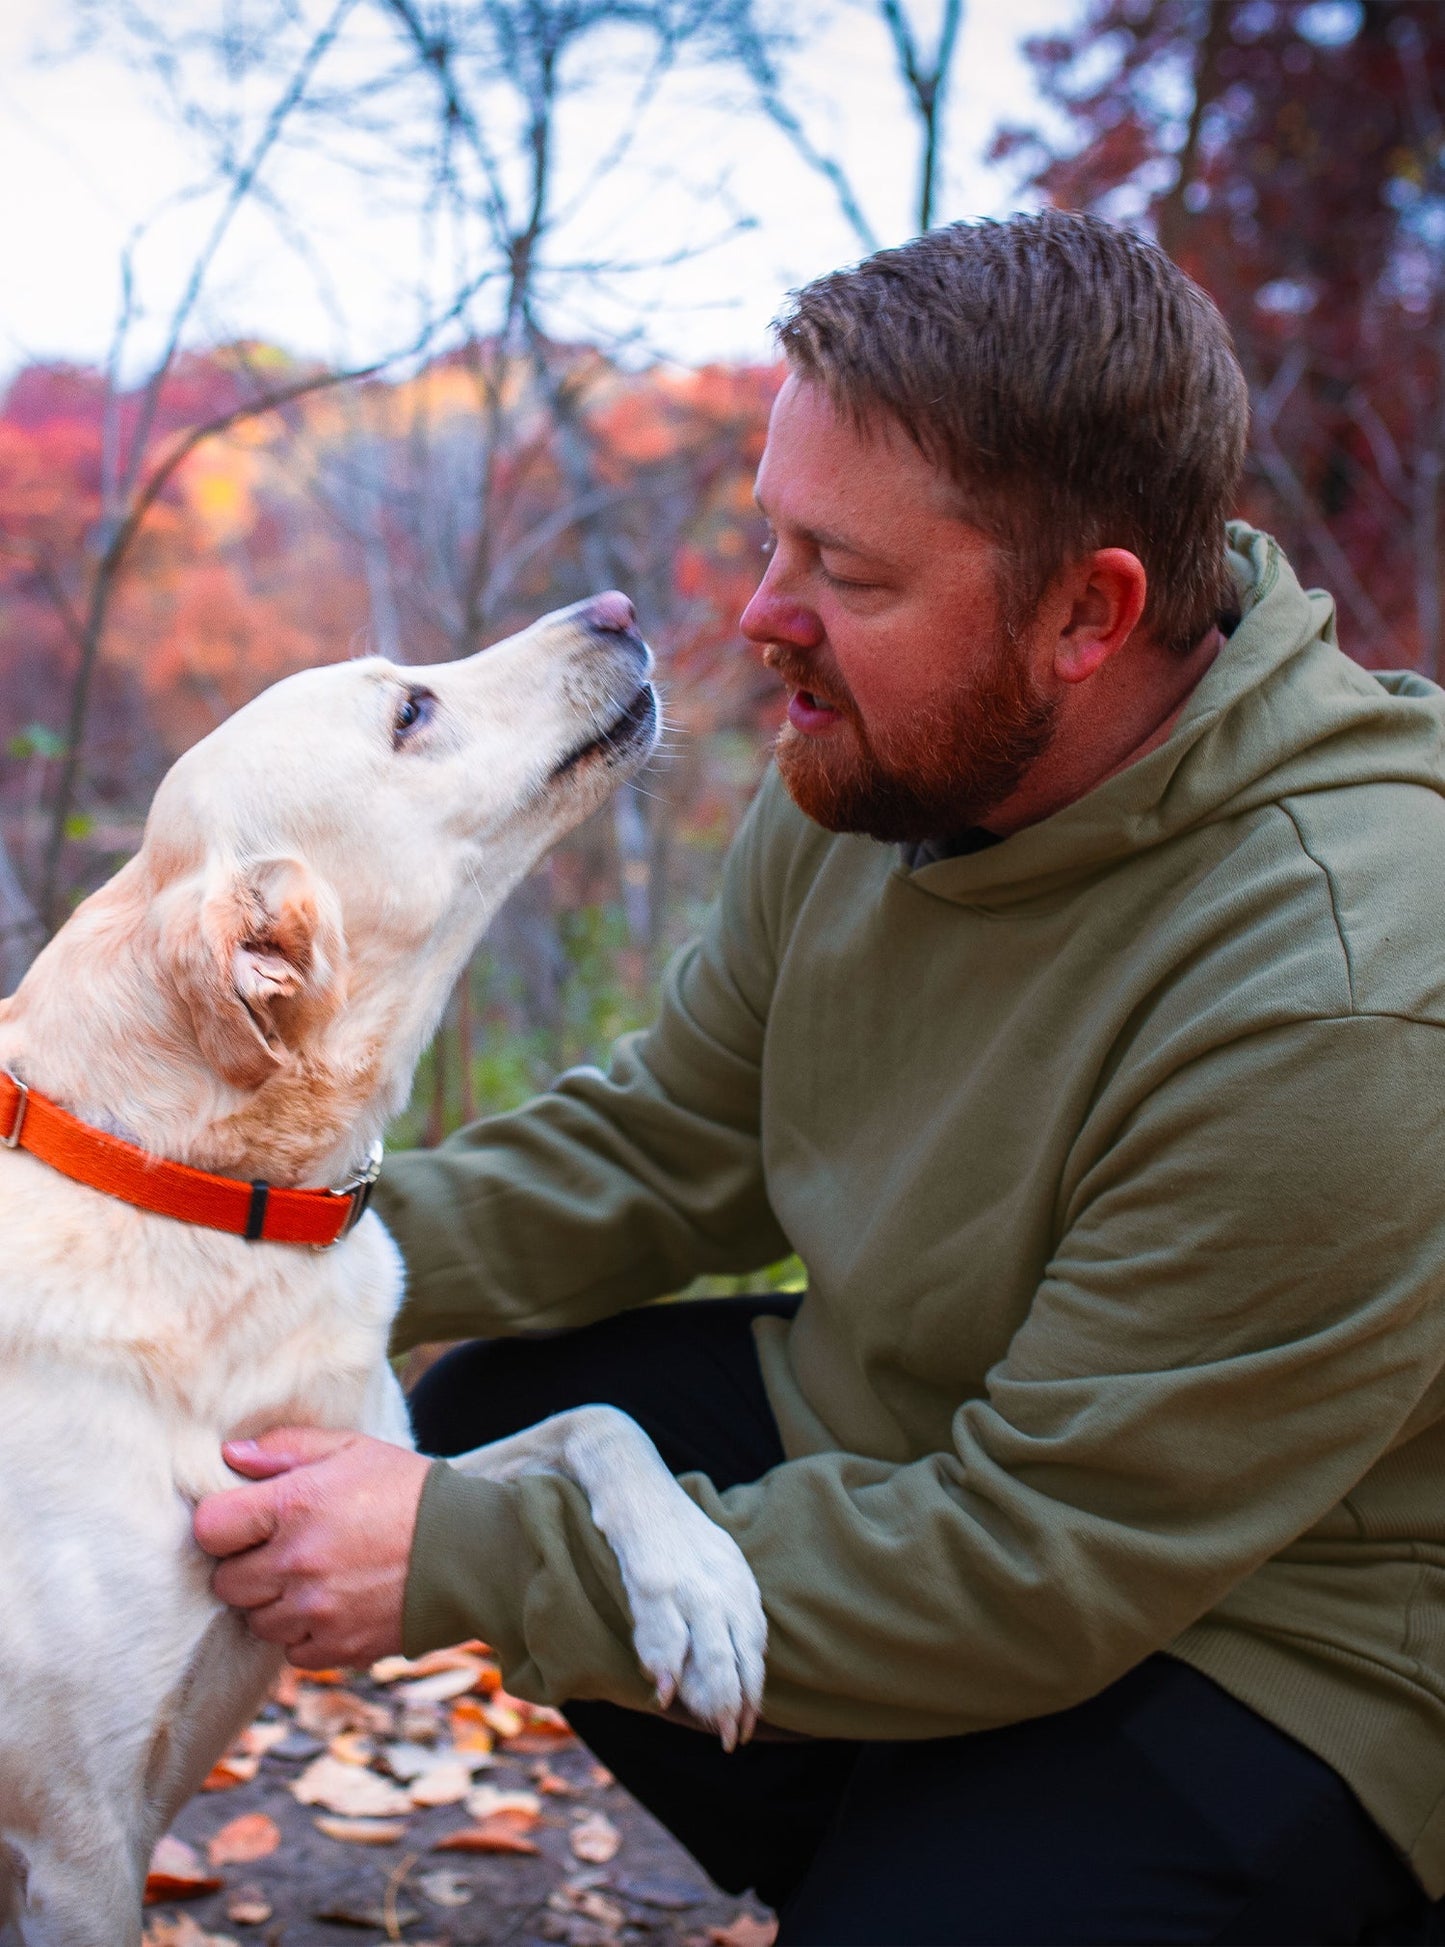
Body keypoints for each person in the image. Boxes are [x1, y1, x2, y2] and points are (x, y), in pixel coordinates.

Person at [194, 211, 1445, 1945]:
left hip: (1272, 1634)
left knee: (498, 1520)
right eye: (772, 534)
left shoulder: (1341, 992)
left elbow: (1043, 1559)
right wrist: (203, 1228)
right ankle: (914, 1847)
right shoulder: (889, 757)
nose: (759, 616)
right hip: (933, 1442)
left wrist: (463, 1556)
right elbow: (666, 1148)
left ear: (1087, 614)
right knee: (491, 1416)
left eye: (845, 575)